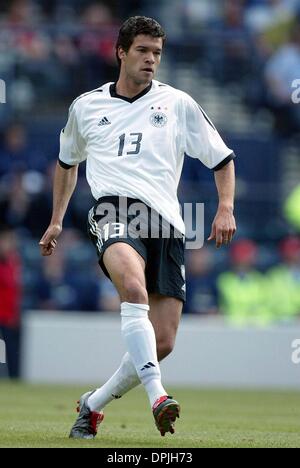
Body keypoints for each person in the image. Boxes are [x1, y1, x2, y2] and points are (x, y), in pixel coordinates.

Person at [39, 16, 236, 439]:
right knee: (132, 287)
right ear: (121, 52)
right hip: (114, 211)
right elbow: (66, 163)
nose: (151, 60)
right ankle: (158, 396)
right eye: (144, 51)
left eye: (158, 53)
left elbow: (222, 158)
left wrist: (225, 208)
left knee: (162, 341)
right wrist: (56, 220)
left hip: (166, 223)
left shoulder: (178, 103)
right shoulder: (87, 106)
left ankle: (91, 405)